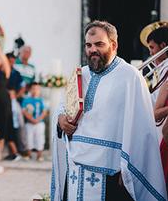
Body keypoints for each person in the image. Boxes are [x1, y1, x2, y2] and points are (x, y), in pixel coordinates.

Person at [51, 20, 167, 201]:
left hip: (111, 173)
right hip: (76, 172)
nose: (92, 50)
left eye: (99, 44)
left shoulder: (130, 77)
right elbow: (63, 107)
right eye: (88, 45)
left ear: (114, 45)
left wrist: (129, 167)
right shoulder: (80, 75)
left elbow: (141, 128)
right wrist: (60, 120)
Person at [21, 82, 47, 161]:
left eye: (37, 89)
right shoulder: (26, 100)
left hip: (39, 123)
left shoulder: (41, 100)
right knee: (29, 138)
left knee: (40, 138)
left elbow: (44, 111)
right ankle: (29, 154)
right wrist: (32, 119)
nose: (35, 90)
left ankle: (39, 155)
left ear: (39, 90)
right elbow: (24, 111)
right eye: (33, 89)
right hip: (29, 123)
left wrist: (38, 119)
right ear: (30, 90)